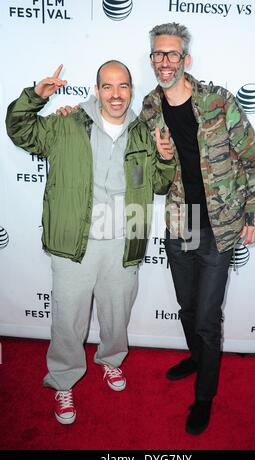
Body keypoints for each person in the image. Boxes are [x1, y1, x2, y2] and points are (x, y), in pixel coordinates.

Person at [6, 61, 176, 425]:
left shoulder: (144, 133)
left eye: (123, 87)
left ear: (131, 90)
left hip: (122, 241)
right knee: (68, 319)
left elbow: (158, 184)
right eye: (108, 86)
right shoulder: (67, 124)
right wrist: (34, 98)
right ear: (96, 90)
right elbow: (19, 130)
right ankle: (64, 379)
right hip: (75, 243)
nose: (116, 95)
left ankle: (111, 362)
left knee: (117, 315)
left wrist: (165, 159)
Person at [139, 23, 255, 435]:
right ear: (152, 61)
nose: (165, 61)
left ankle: (204, 395)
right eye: (158, 54)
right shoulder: (148, 109)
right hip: (181, 222)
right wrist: (160, 158)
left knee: (207, 318)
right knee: (188, 307)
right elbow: (155, 180)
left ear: (186, 59)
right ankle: (197, 358)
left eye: (172, 54)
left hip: (220, 225)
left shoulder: (218, 103)